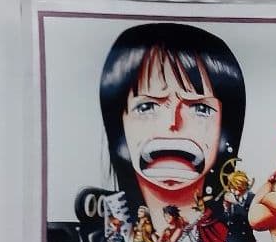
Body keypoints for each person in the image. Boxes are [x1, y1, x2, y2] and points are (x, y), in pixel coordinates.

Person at [99, 22, 246, 229]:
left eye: (200, 108)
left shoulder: (243, 222)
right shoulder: (100, 231)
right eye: (147, 106)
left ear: (225, 127)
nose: (172, 124)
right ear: (119, 124)